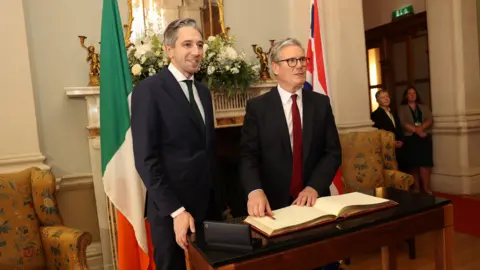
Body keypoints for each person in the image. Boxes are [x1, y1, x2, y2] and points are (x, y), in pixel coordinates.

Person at [131, 18, 222, 270]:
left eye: (200, 44)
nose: (196, 51)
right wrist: (177, 211)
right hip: (171, 214)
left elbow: (206, 151)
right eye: (187, 44)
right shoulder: (149, 91)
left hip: (207, 211)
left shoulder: (203, 92)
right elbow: (146, 160)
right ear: (169, 50)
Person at [398, 86, 434, 194]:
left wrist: (421, 129)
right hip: (411, 138)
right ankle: (417, 188)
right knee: (414, 165)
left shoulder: (424, 106)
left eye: (414, 93)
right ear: (406, 96)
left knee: (425, 164)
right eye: (409, 93)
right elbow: (402, 122)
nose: (412, 95)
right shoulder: (402, 108)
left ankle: (426, 188)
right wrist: (416, 130)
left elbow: (430, 119)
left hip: (424, 137)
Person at [370, 90, 405, 170]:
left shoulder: (394, 113)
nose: (386, 99)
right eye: (382, 97)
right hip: (386, 148)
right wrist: (391, 142)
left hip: (400, 147)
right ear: (377, 100)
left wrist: (402, 140)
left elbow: (399, 128)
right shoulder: (375, 115)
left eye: (387, 96)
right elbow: (378, 132)